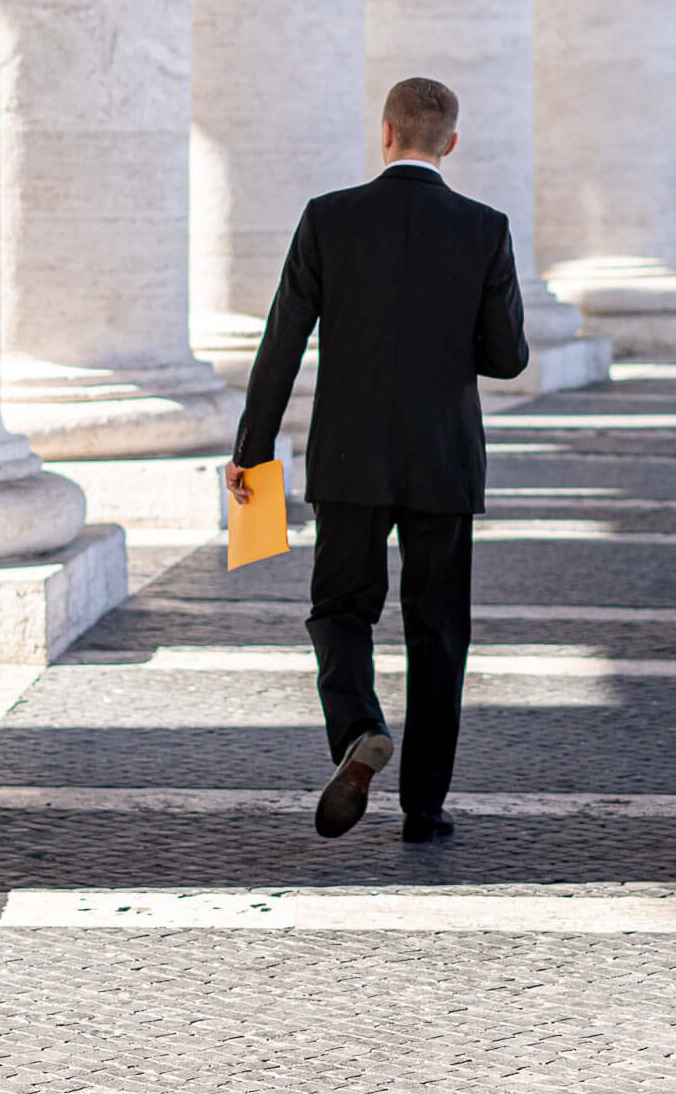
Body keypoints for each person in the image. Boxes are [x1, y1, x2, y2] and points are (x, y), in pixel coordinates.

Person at [223, 77, 528, 845]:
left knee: (339, 609)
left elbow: (282, 341)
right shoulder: (483, 228)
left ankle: (359, 724)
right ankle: (423, 808)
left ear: (385, 133)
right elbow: (508, 356)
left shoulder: (329, 218)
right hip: (444, 462)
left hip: (348, 461)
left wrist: (251, 454)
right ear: (448, 143)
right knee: (438, 632)